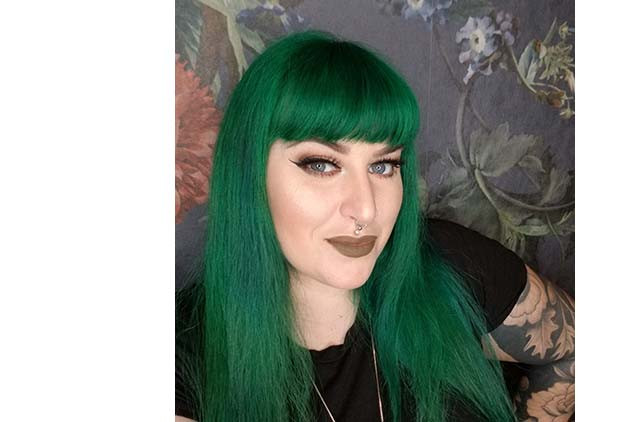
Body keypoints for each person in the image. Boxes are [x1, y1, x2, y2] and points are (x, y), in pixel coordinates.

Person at [175, 30, 575, 422]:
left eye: (383, 166)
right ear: (250, 175)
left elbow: (572, 349)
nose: (366, 209)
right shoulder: (182, 354)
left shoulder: (451, 265)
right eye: (322, 164)